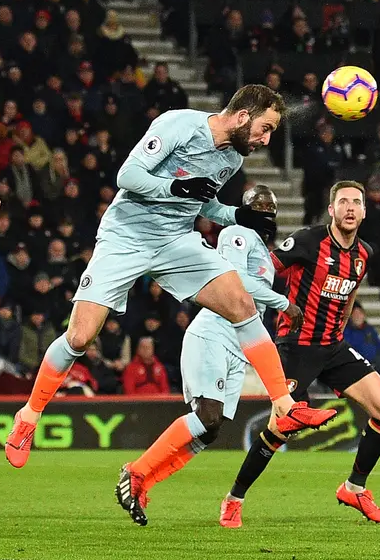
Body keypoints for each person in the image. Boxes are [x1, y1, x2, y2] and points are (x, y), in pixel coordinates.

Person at [5, 85, 333, 469]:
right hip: (126, 235)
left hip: (177, 240)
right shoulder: (179, 125)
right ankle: (28, 416)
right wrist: (174, 186)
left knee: (243, 303)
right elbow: (128, 176)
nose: (265, 139)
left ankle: (284, 404)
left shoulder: (232, 159)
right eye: (265, 128)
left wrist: (235, 216)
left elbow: (202, 200)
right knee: (79, 336)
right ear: (243, 117)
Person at [115, 186, 309, 525]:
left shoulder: (262, 249)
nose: (264, 210)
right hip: (213, 332)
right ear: (246, 208)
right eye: (257, 204)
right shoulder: (236, 233)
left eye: (270, 206)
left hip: (237, 346)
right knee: (206, 416)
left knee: (211, 428)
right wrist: (283, 304)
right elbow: (237, 281)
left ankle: (143, 481)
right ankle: (136, 471)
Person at [222, 181, 380, 528]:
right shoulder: (308, 241)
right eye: (343, 202)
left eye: (357, 203)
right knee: (280, 429)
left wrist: (339, 335)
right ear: (332, 210)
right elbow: (265, 269)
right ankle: (234, 498)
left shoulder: (363, 253)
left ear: (364, 212)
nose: (350, 208)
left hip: (333, 347)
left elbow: (349, 299)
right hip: (296, 347)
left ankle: (354, 487)